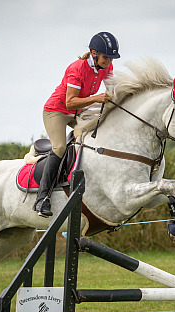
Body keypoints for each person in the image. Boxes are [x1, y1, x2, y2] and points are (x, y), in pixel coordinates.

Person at [34, 32, 121, 217]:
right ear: (94, 53)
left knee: (99, 134)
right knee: (59, 147)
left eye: (111, 58)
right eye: (106, 57)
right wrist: (97, 98)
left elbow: (112, 88)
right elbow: (69, 102)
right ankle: (42, 199)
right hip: (56, 111)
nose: (108, 61)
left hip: (78, 112)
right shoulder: (77, 69)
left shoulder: (107, 65)